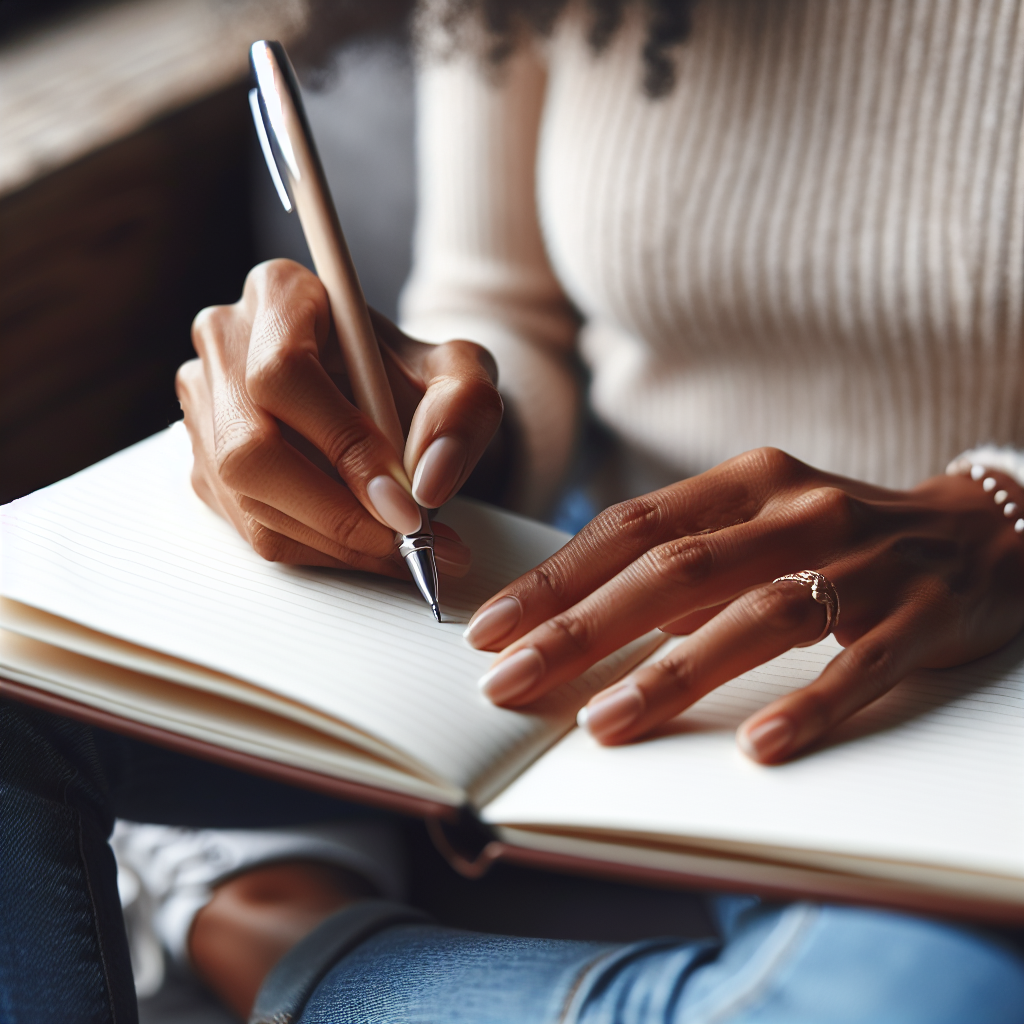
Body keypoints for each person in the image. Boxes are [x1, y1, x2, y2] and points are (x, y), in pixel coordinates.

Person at [5, 1, 1024, 1021]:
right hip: (586, 577)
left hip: (961, 670)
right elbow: (503, 302)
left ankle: (273, 926)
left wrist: (1004, 511)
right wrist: (416, 417)